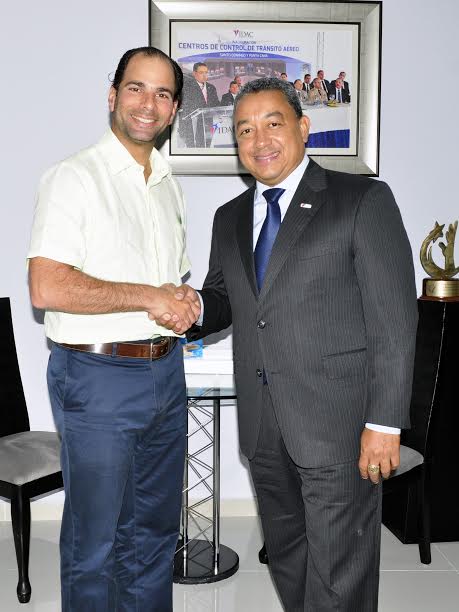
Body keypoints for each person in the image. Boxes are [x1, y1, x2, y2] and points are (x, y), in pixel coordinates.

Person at [181, 77, 418, 611]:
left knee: (340, 574)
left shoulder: (361, 199)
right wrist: (187, 306)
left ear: (303, 127)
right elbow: (223, 299)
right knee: (289, 556)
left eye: (273, 123)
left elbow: (394, 320)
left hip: (339, 426)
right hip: (263, 427)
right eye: (245, 130)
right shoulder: (228, 217)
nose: (259, 139)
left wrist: (385, 424)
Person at [28, 46, 201, 612]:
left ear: (174, 109)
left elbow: (168, 281)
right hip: (97, 375)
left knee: (153, 535)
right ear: (112, 96)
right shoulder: (74, 177)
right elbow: (47, 286)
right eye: (136, 88)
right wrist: (151, 296)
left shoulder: (168, 184)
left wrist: (181, 301)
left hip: (165, 374)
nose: (148, 104)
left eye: (162, 93)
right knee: (95, 543)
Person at [179, 61, 220, 147]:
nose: (204, 75)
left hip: (208, 125)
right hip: (192, 126)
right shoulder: (186, 88)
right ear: (194, 73)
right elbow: (185, 107)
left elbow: (216, 105)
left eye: (206, 72)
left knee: (208, 146)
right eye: (201, 73)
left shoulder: (211, 88)